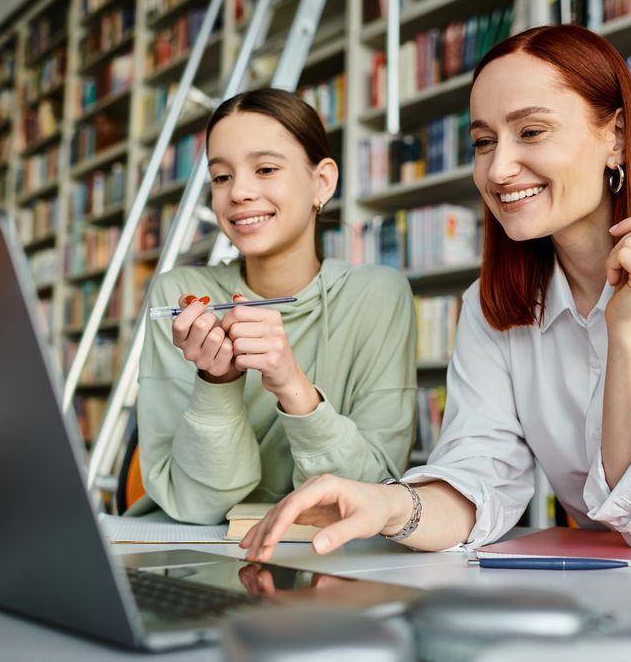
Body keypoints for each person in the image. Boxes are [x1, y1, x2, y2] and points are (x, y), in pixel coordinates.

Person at [240, 25, 631, 561]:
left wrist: (628, 329)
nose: (499, 169)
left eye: (531, 132)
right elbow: (480, 478)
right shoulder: (493, 303)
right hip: (602, 567)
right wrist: (388, 505)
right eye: (484, 142)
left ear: (619, 137)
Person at [132, 88, 417, 524]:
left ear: (322, 181)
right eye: (221, 177)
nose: (239, 192)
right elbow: (201, 506)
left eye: (265, 169)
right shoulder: (182, 295)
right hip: (196, 552)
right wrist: (216, 382)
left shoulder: (378, 295)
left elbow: (370, 495)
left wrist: (291, 384)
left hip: (327, 561)